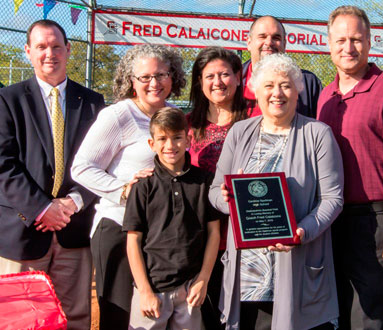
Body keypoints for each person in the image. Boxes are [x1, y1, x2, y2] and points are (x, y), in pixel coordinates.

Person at [209, 53, 343, 330]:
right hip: (248, 269)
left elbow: (333, 199)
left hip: (296, 262)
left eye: (285, 85)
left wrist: (302, 231)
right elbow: (214, 191)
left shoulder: (317, 133)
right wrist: (226, 201)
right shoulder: (239, 132)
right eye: (268, 85)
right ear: (256, 91)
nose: (277, 93)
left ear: (297, 91)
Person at [317, 6, 383, 329]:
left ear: (370, 41)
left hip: (374, 222)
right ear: (329, 43)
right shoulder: (325, 96)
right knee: (338, 314)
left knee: (373, 318)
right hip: (330, 223)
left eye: (356, 39)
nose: (348, 48)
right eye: (340, 40)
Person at [71, 44, 186, 330]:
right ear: (131, 81)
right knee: (119, 318)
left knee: (150, 314)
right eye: (144, 77)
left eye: (161, 74)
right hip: (118, 227)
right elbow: (81, 167)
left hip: (159, 234)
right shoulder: (119, 115)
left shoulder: (174, 115)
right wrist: (124, 190)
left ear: (173, 77)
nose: (154, 83)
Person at [0, 19, 105, 330]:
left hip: (74, 229)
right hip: (23, 231)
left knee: (76, 317)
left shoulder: (92, 102)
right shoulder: (7, 100)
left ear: (68, 50)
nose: (50, 53)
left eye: (57, 46)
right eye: (42, 47)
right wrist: (42, 208)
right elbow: (3, 163)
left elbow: (102, 161)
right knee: (20, 318)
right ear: (28, 51)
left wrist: (73, 202)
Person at [123, 107, 220, 330]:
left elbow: (214, 233)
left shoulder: (204, 181)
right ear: (152, 144)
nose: (170, 146)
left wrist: (203, 279)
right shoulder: (142, 186)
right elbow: (133, 240)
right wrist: (145, 290)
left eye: (177, 138)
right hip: (151, 289)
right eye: (162, 139)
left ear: (188, 139)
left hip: (190, 289)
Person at [187, 46, 247, 329]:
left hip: (244, 234)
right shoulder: (186, 126)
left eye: (225, 74)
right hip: (198, 236)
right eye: (209, 75)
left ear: (238, 77)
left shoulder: (255, 120)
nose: (218, 82)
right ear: (200, 81)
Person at [243, 15, 322, 118]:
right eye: (262, 36)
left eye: (276, 37)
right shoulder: (234, 81)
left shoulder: (308, 82)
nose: (269, 42)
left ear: (284, 44)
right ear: (249, 43)